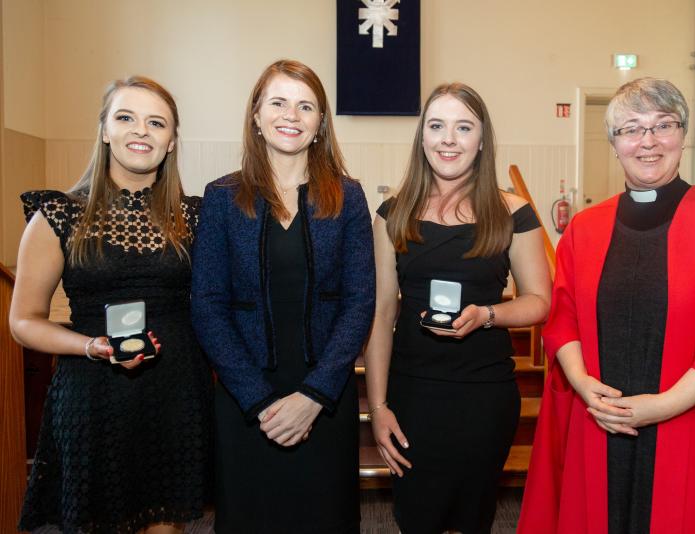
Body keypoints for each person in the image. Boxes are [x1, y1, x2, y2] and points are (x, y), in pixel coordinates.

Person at [518, 77, 695, 534]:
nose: (647, 141)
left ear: (683, 136)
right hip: (599, 421)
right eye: (631, 128)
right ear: (614, 143)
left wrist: (664, 405)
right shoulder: (585, 230)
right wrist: (582, 383)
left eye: (662, 125)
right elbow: (563, 317)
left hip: (688, 426)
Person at [10, 77, 213, 534]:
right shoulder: (58, 214)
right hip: (92, 393)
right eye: (125, 117)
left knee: (166, 525)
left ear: (172, 140)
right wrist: (91, 347)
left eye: (156, 122)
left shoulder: (197, 215)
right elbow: (23, 321)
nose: (141, 131)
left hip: (175, 392)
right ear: (104, 130)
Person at [190, 59, 375, 534]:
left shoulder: (348, 197)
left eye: (306, 105)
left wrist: (313, 396)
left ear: (319, 123)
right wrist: (259, 401)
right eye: (278, 102)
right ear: (256, 114)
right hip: (246, 398)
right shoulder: (221, 197)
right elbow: (208, 304)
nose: (291, 114)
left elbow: (359, 300)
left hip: (326, 394)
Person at [365, 82, 551, 534]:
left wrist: (487, 315)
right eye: (437, 126)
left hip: (483, 397)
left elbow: (539, 302)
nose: (449, 139)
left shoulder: (514, 212)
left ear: (482, 140)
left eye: (463, 127)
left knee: (475, 518)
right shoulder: (393, 213)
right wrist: (378, 405)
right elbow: (382, 314)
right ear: (422, 137)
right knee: (416, 518)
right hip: (413, 396)